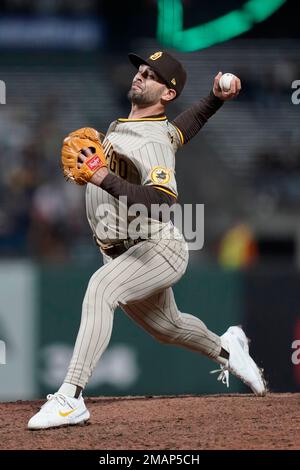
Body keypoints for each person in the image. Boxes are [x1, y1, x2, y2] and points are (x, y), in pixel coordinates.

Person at [28, 50, 266, 430]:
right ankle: (228, 349)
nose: (139, 76)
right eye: (140, 70)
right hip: (123, 252)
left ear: (167, 93)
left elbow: (161, 200)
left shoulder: (152, 141)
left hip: (157, 248)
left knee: (101, 289)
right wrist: (214, 100)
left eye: (151, 75)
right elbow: (182, 128)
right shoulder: (137, 126)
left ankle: (70, 397)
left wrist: (103, 177)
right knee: (167, 327)